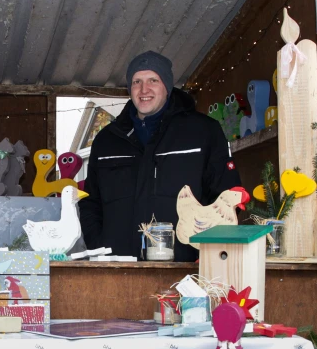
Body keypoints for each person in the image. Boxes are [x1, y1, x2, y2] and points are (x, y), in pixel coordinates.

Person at [79, 51, 243, 261]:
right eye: (137, 82)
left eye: (153, 80)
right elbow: (90, 203)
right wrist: (99, 245)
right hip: (118, 268)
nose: (144, 89)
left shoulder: (203, 132)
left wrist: (207, 253)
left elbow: (227, 197)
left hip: (185, 267)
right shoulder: (106, 141)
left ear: (167, 86)